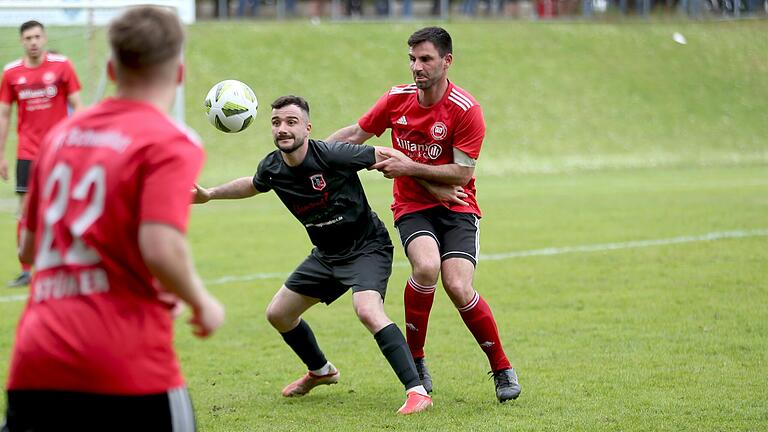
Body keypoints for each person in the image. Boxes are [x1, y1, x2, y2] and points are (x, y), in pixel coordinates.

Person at [1, 6, 225, 431]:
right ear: (179, 72)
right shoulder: (171, 140)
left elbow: (27, 248)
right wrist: (201, 301)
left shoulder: (59, 137)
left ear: (111, 67)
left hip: (36, 358)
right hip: (125, 363)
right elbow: (160, 246)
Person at [193, 95, 432, 415]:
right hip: (327, 254)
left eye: (291, 122)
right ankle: (321, 371)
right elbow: (252, 184)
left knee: (367, 311)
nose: (282, 129)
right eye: (276, 123)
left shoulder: (332, 154)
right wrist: (208, 194)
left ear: (307, 127)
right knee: (278, 314)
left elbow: (386, 154)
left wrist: (433, 183)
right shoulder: (273, 167)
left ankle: (417, 391)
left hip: (366, 247)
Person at [326, 26, 522, 403]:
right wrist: (308, 152)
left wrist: (406, 164)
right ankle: (416, 362)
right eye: (413, 59)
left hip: (458, 207)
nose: (417, 67)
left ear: (446, 61)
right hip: (413, 207)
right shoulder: (396, 100)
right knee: (426, 266)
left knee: (459, 285)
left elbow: (462, 175)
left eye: (426, 59)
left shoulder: (466, 110)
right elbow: (355, 134)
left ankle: (501, 367)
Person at [0, 20, 83, 288]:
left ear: (44, 38)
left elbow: (77, 107)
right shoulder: (11, 73)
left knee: (67, 206)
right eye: (28, 38)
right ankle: (26, 270)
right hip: (27, 153)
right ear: (22, 41)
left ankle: (68, 262)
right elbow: (4, 114)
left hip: (60, 151)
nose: (33, 41)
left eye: (37, 36)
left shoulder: (62, 65)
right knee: (25, 210)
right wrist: (1, 154)